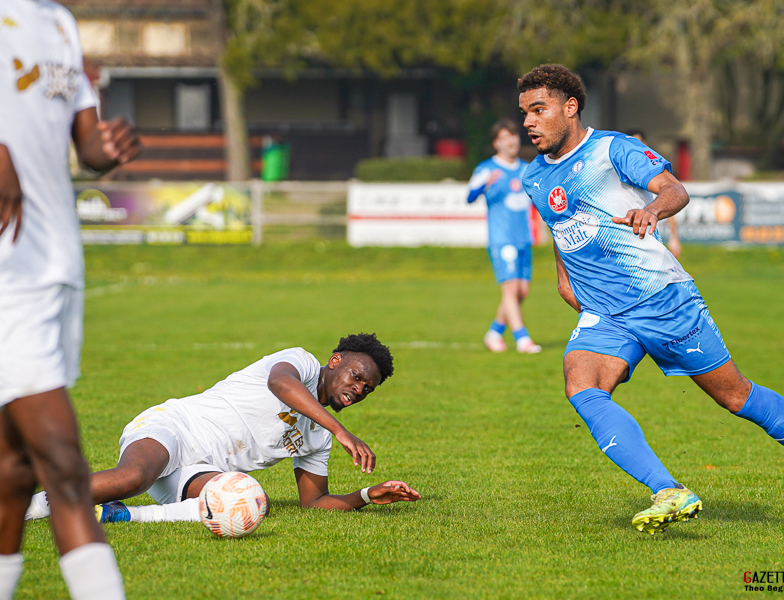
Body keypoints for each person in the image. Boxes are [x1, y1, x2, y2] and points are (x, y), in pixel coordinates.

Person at [517, 64, 784, 534]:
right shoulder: (533, 177)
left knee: (736, 397)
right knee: (581, 385)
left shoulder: (613, 149)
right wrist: (562, 278)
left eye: (538, 110)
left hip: (663, 299)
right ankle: (668, 490)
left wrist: (651, 209)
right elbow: (558, 228)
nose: (528, 122)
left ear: (570, 107)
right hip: (606, 311)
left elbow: (675, 189)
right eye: (524, 112)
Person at [0, 1, 141, 598]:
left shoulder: (59, 21)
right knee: (65, 465)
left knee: (12, 469)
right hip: (10, 271)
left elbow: (87, 144)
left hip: (59, 265)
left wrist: (108, 146)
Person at [26, 334, 421, 524]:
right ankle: (33, 502)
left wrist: (369, 495)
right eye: (356, 376)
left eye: (367, 389)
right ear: (334, 361)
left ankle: (122, 516)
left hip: (196, 475)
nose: (358, 389)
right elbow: (280, 385)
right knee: (132, 476)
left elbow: (313, 504)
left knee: (250, 500)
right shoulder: (299, 362)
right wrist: (341, 430)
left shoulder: (317, 437)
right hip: (172, 428)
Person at [467, 119, 541, 353]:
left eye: (514, 136)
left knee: (522, 292)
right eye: (505, 138)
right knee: (510, 290)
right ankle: (522, 338)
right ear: (496, 143)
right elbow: (469, 196)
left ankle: (494, 333)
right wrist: (485, 185)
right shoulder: (486, 169)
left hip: (523, 238)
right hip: (502, 238)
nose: (511, 141)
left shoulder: (525, 169)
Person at [624, 128, 681, 258]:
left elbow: (669, 202)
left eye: (640, 142)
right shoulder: (622, 175)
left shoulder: (654, 173)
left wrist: (674, 237)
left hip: (652, 238)